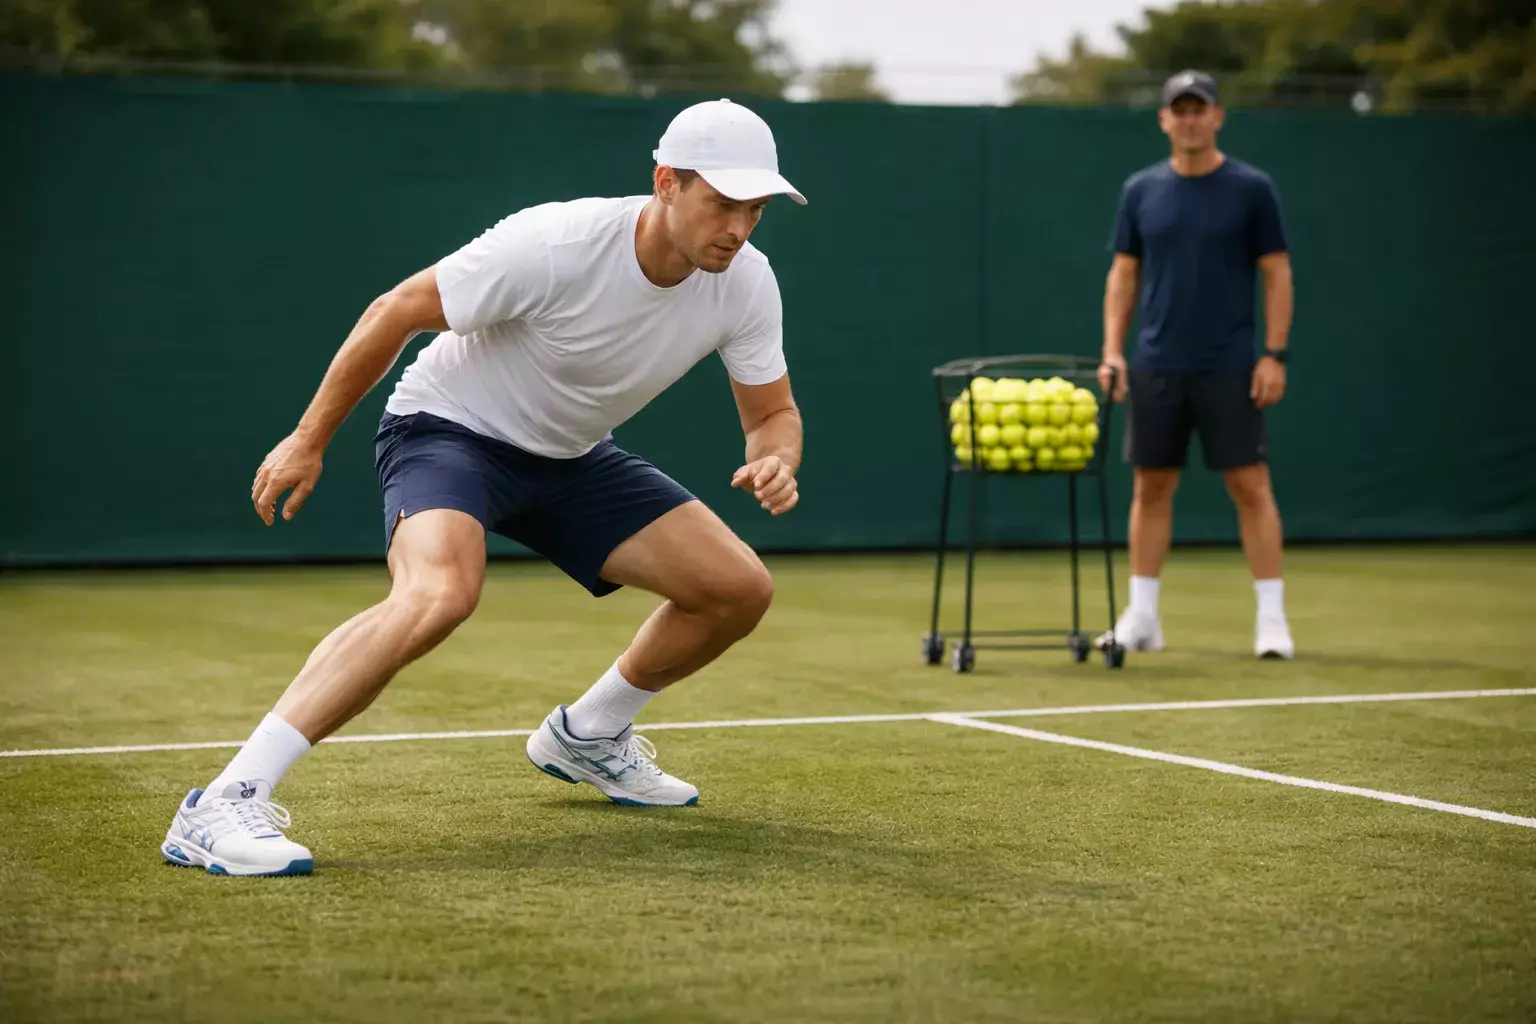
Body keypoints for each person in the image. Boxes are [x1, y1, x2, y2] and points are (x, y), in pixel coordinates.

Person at [160, 98, 808, 877]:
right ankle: (223, 802)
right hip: (448, 432)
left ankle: (589, 735)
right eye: (724, 203)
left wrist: (776, 456)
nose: (739, 227)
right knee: (438, 595)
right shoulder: (556, 243)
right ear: (667, 182)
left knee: (737, 590)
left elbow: (772, 414)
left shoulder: (746, 282)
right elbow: (396, 310)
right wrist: (308, 439)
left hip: (571, 457)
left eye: (755, 209)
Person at [1096, 70, 1296, 660]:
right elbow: (1123, 274)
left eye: (1198, 109)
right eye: (1178, 110)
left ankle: (1272, 621)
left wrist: (1274, 354)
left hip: (1232, 363)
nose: (1189, 120)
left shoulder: (1252, 189)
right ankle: (1143, 618)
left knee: (1250, 486)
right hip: (1157, 363)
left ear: (1217, 117)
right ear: (1164, 120)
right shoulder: (1140, 190)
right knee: (1151, 486)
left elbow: (1277, 271)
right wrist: (1113, 350)